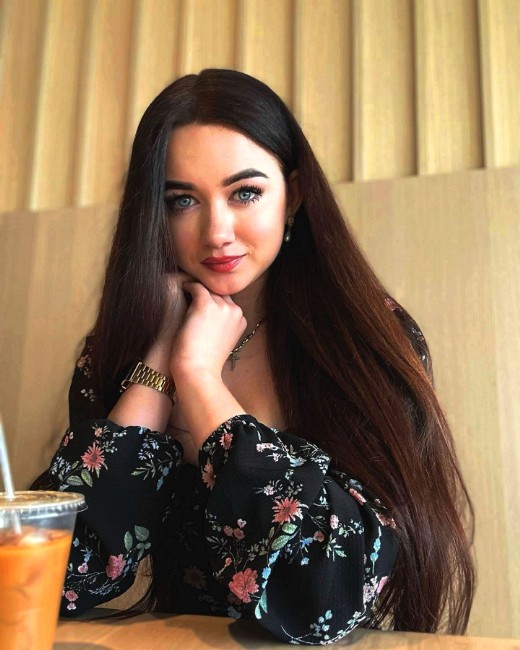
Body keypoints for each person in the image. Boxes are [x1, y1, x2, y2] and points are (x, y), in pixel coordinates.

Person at [33, 68, 474, 644]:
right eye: (182, 200)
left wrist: (200, 380)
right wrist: (160, 358)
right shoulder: (115, 351)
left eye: (245, 193)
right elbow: (57, 578)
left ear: (295, 195)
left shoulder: (368, 339)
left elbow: (324, 598)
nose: (216, 231)